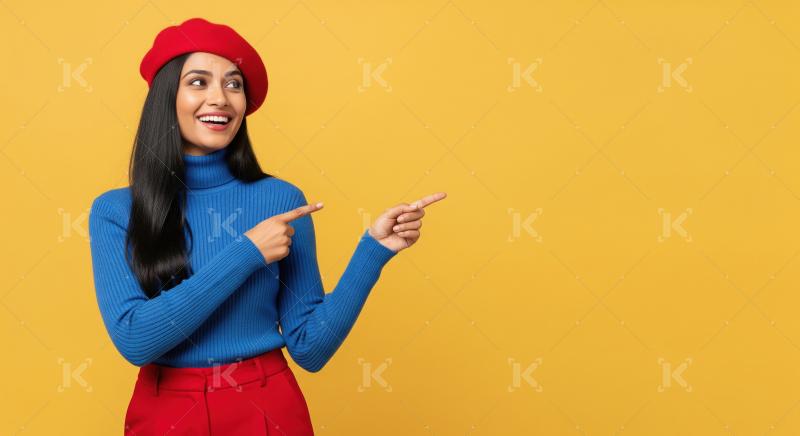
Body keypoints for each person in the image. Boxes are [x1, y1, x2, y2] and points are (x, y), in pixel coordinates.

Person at [88, 17, 446, 435]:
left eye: (234, 84)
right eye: (199, 82)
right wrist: (247, 253)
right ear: (167, 96)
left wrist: (374, 250)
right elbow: (136, 341)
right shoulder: (116, 210)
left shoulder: (280, 200)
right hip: (165, 415)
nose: (221, 98)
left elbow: (310, 347)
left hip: (266, 407)